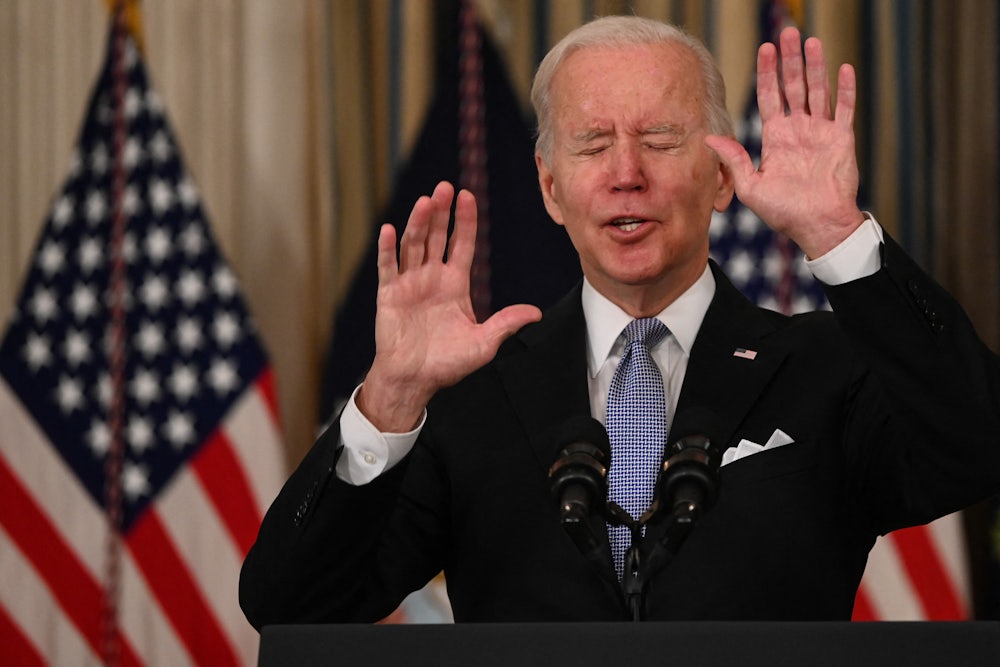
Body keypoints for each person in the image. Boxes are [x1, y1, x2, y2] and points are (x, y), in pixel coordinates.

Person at [240, 16, 1000, 625]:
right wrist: (389, 400)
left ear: (723, 175)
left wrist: (840, 235)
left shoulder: (829, 365)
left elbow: (977, 445)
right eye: (593, 144)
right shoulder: (472, 395)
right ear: (549, 187)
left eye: (661, 140)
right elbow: (292, 606)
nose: (625, 172)